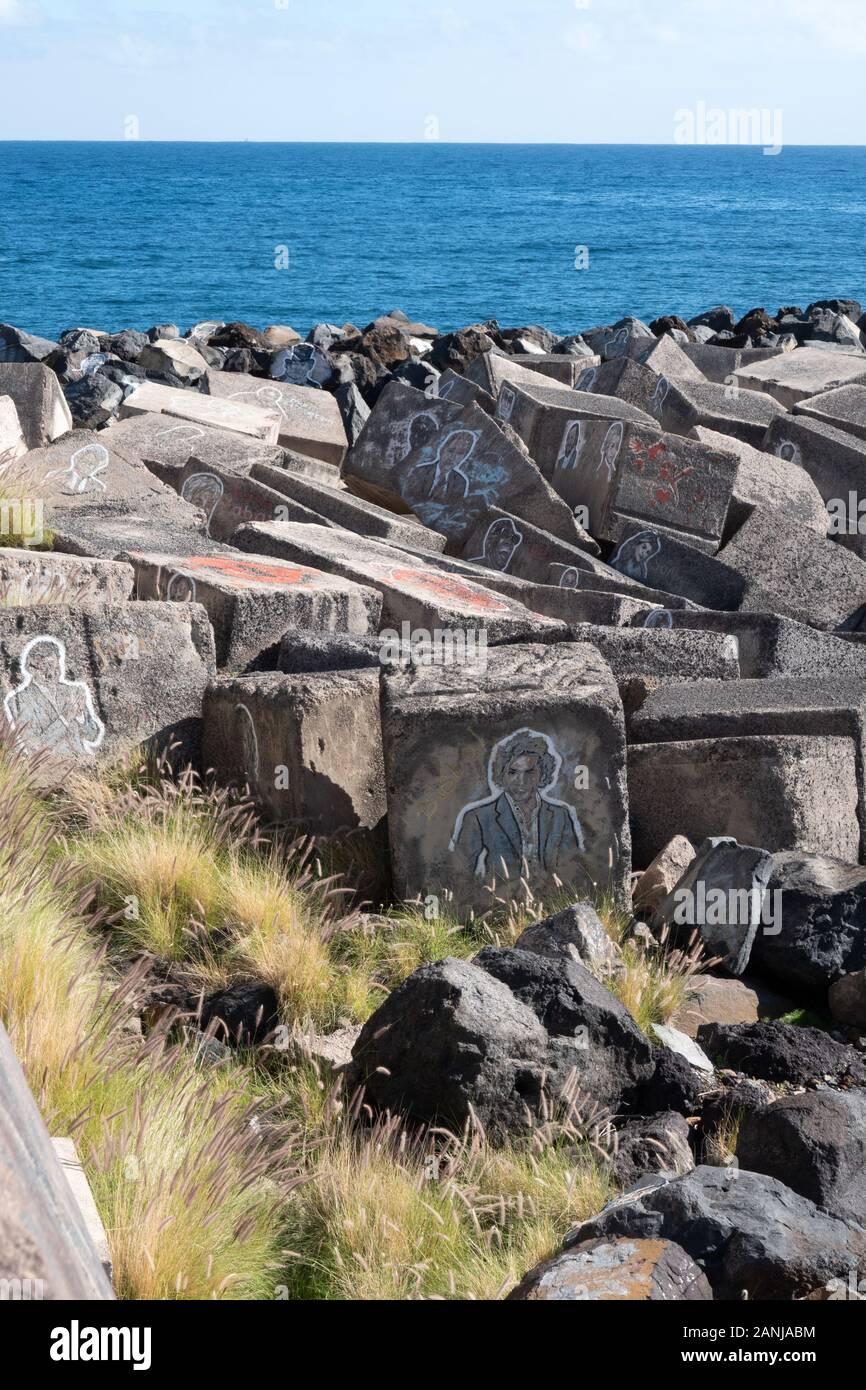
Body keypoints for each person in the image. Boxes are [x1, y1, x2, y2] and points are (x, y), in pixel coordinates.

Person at [450, 728, 584, 881]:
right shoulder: (478, 817)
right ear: (501, 774)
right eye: (512, 772)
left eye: (530, 772)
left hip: (553, 900)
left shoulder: (561, 815)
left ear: (543, 774)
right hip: (499, 901)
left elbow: (573, 870)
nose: (521, 781)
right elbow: (459, 874)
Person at [4, 635, 104, 759]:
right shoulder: (18, 701)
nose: (53, 672)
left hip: (84, 761)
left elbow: (93, 736)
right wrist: (66, 717)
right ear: (32, 669)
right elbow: (36, 747)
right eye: (46, 667)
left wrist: (81, 717)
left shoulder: (72, 691)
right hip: (49, 770)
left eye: (56, 666)